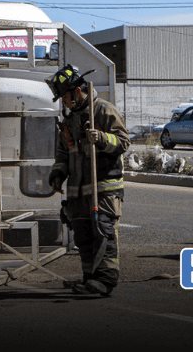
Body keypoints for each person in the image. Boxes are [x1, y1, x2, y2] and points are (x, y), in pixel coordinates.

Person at [46, 64, 129, 296]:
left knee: (102, 232)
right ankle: (89, 278)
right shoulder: (70, 119)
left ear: (78, 91)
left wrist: (101, 137)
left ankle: (105, 280)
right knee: (83, 236)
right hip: (77, 191)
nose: (64, 101)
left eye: (65, 96)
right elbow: (64, 152)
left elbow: (123, 142)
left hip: (103, 188)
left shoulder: (102, 110)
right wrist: (58, 174)